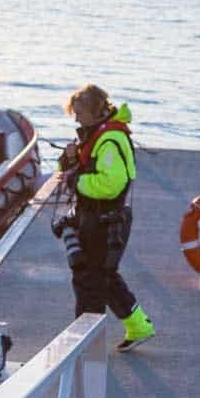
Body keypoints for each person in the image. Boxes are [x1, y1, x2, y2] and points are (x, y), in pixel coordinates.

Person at [57, 84, 155, 351]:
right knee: (104, 277)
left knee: (89, 282)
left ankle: (86, 344)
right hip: (95, 219)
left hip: (104, 221)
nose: (76, 119)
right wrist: (68, 161)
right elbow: (80, 169)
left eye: (79, 113)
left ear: (94, 110)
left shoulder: (110, 141)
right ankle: (139, 326)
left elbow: (111, 184)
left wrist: (76, 180)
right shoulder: (96, 134)